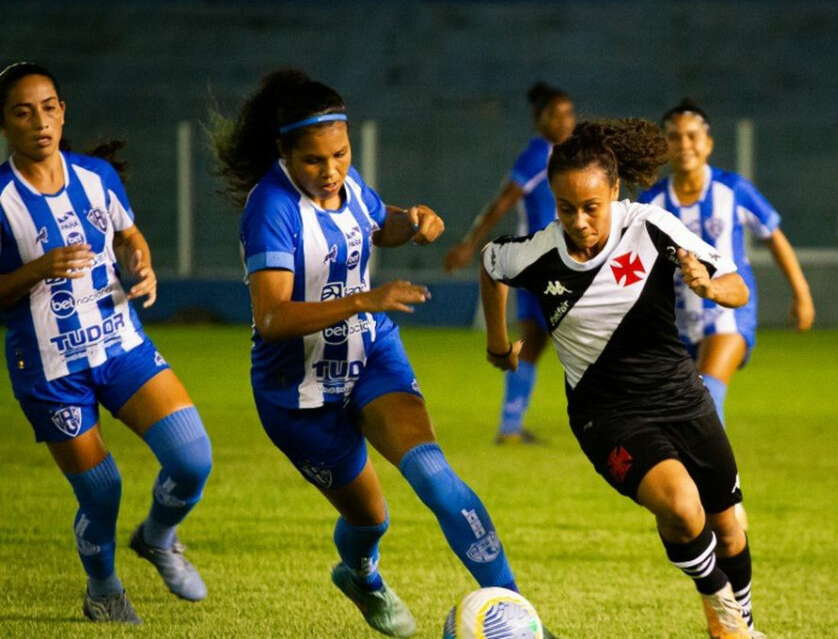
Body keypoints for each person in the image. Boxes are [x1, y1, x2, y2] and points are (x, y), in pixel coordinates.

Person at [216, 70, 521, 638]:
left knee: (437, 479)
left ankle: (519, 614)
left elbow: (378, 224)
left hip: (370, 355)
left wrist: (414, 222)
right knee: (370, 520)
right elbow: (272, 317)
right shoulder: (270, 210)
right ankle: (363, 576)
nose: (331, 171)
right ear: (284, 152)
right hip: (298, 392)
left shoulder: (347, 182)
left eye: (340, 154)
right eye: (314, 161)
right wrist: (364, 299)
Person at [481, 119, 763, 639]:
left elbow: (736, 285)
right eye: (566, 208)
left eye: (591, 207)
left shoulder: (650, 226)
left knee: (727, 527)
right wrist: (498, 345)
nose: (579, 221)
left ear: (614, 190)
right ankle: (723, 616)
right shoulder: (538, 254)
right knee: (682, 506)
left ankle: (741, 623)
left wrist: (709, 287)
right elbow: (491, 263)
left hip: (682, 397)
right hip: (606, 414)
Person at [0, 62, 212, 624]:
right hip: (50, 368)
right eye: (23, 112)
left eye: (49, 108)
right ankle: (103, 590)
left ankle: (158, 537)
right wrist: (38, 269)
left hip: (121, 344)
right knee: (101, 492)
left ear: (63, 111)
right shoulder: (0, 199)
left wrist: (141, 262)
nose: (40, 122)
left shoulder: (96, 176)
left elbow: (127, 233)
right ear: (4, 124)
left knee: (192, 460)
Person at [640, 99, 814, 532]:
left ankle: (724, 499)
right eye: (674, 137)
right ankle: (704, 492)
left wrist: (801, 292)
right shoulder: (651, 202)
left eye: (692, 136)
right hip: (675, 323)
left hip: (729, 314)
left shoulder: (732, 190)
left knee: (707, 393)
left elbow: (774, 236)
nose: (684, 144)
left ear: (709, 142)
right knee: (679, 410)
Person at [443, 81, 575, 444]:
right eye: (556, 114)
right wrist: (470, 243)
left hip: (544, 262)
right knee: (585, 334)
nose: (565, 120)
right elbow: (504, 201)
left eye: (569, 113)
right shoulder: (539, 155)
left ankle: (510, 426)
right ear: (539, 119)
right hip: (546, 263)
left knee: (534, 340)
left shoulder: (560, 154)